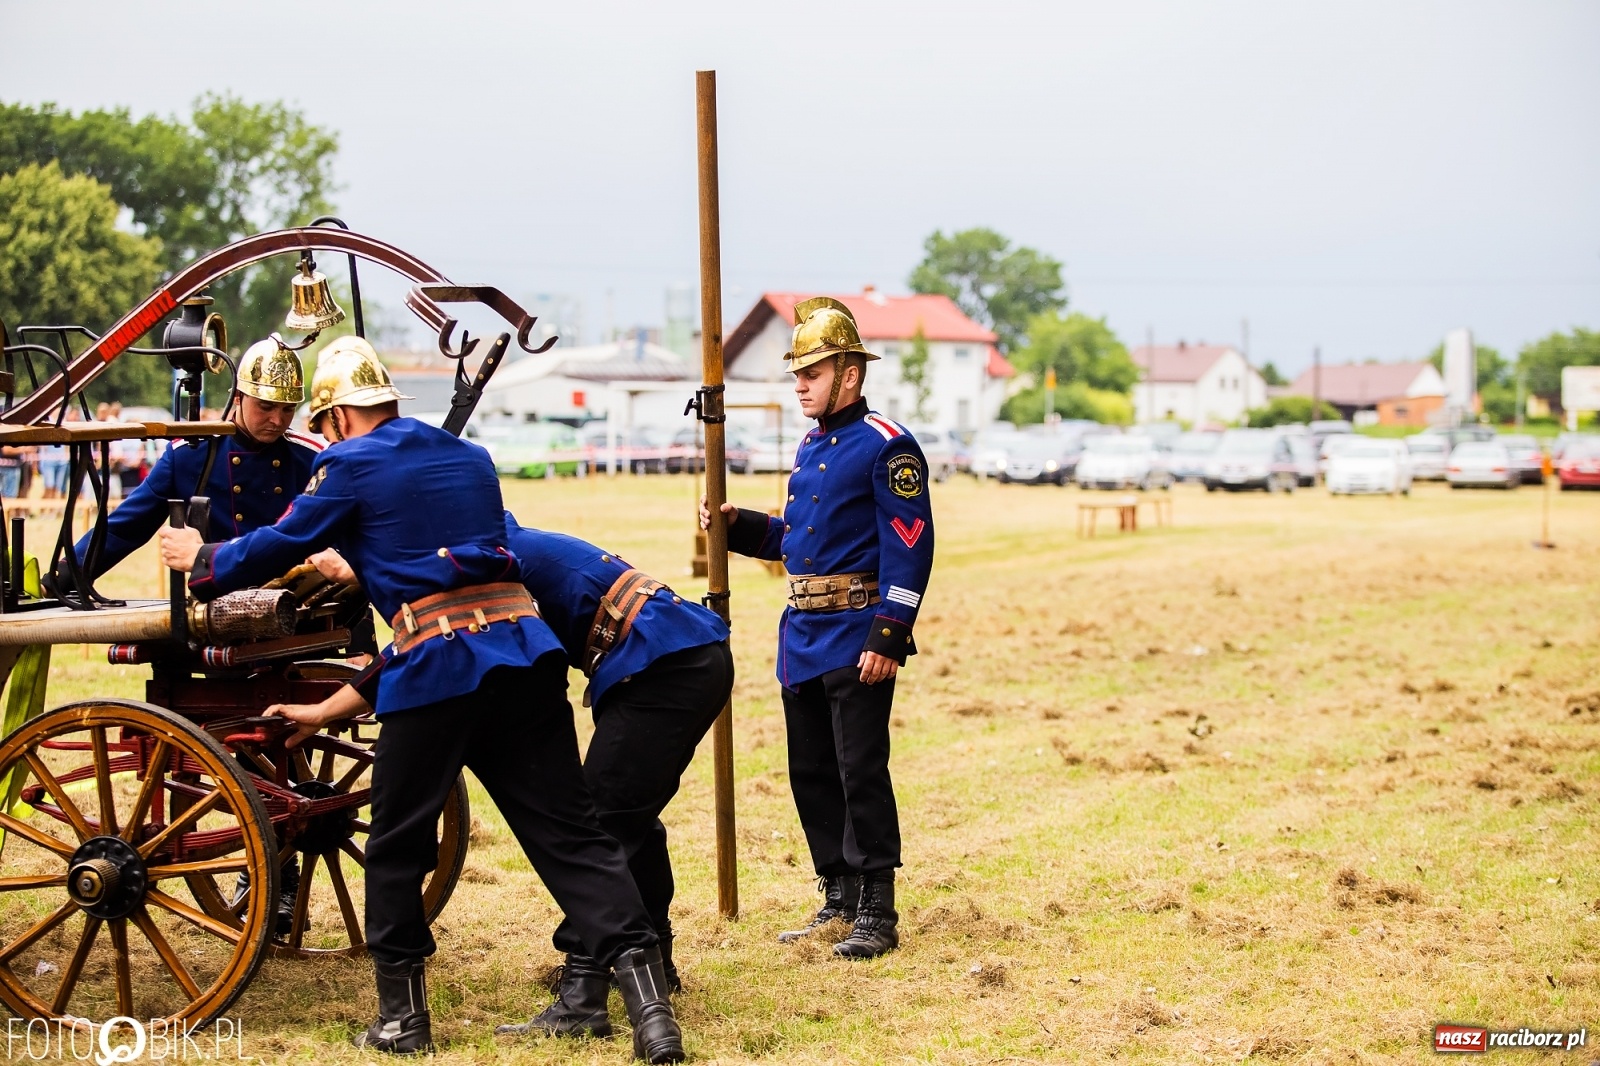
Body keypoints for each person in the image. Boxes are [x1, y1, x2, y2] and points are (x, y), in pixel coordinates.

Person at [158, 336, 685, 1062]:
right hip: (525, 658)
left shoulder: (343, 463)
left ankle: (403, 1020)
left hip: (435, 668)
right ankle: (653, 1015)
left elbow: (281, 544)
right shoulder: (469, 458)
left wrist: (204, 561)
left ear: (337, 415)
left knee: (398, 844)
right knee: (574, 838)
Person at [700, 297, 934, 961]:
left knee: (860, 770)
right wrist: (736, 522)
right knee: (811, 771)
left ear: (849, 375)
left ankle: (878, 911)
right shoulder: (810, 446)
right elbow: (793, 540)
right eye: (796, 374)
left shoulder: (888, 446)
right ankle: (837, 895)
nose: (799, 385)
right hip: (801, 636)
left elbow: (910, 545)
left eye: (811, 373)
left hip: (859, 631)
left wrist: (890, 633)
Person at [71, 334, 322, 582]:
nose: (277, 420)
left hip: (295, 600)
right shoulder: (190, 454)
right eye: (265, 407)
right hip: (218, 598)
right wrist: (65, 575)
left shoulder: (310, 457)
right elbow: (125, 529)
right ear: (237, 396)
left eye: (288, 409)